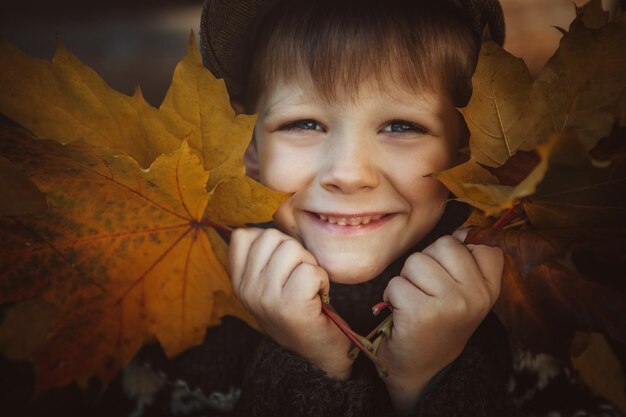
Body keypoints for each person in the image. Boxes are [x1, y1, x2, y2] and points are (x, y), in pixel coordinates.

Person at [108, 1, 624, 417]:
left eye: (402, 126)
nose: (350, 173)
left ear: (465, 150)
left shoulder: (543, 319)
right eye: (304, 124)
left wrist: (433, 378)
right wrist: (306, 365)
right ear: (246, 148)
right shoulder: (179, 328)